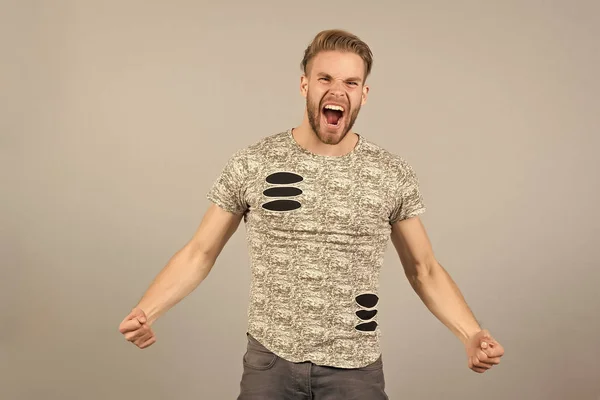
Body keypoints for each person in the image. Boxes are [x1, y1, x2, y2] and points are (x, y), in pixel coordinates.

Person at [118, 29, 505, 399]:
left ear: (364, 94)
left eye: (351, 83)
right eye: (325, 79)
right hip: (269, 364)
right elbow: (200, 252)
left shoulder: (390, 173)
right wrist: (146, 311)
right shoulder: (254, 162)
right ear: (305, 85)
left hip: (355, 370)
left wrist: (470, 334)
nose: (337, 91)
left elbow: (425, 269)